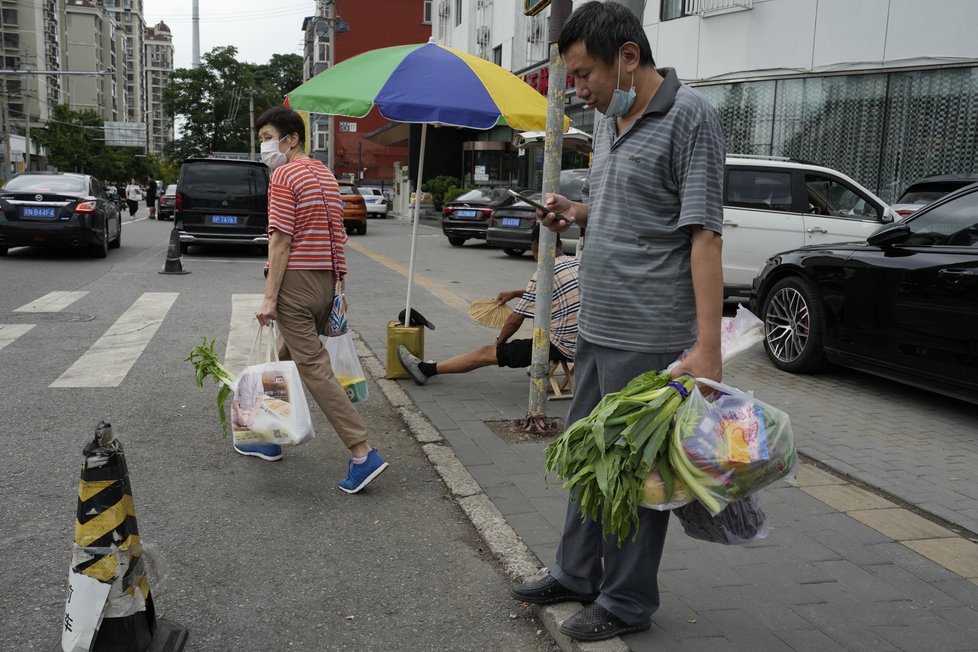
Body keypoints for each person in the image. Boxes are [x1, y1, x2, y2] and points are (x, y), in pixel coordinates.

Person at [509, 1, 725, 643]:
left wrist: (708, 350)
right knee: (586, 457)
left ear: (628, 57)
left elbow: (704, 238)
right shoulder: (609, 121)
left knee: (634, 473)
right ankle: (576, 573)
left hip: (651, 333)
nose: (577, 91)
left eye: (583, 75)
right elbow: (612, 208)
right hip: (598, 324)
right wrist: (571, 212)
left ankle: (627, 601)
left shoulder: (692, 119)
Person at [250, 105, 388, 493]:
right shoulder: (326, 175)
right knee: (286, 357)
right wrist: (338, 287)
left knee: (313, 367)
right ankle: (269, 435)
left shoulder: (284, 175)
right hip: (327, 283)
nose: (264, 146)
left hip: (296, 283)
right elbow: (337, 234)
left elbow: (280, 240)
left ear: (291, 138)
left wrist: (269, 298)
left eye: (267, 138)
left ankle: (362, 451)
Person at [397, 225, 579, 385]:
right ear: (560, 244)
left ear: (534, 247)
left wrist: (499, 343)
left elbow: (515, 321)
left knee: (486, 352)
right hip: (584, 342)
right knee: (543, 322)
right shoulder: (576, 263)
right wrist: (515, 294)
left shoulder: (544, 273)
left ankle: (424, 370)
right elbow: (551, 294)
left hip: (562, 346)